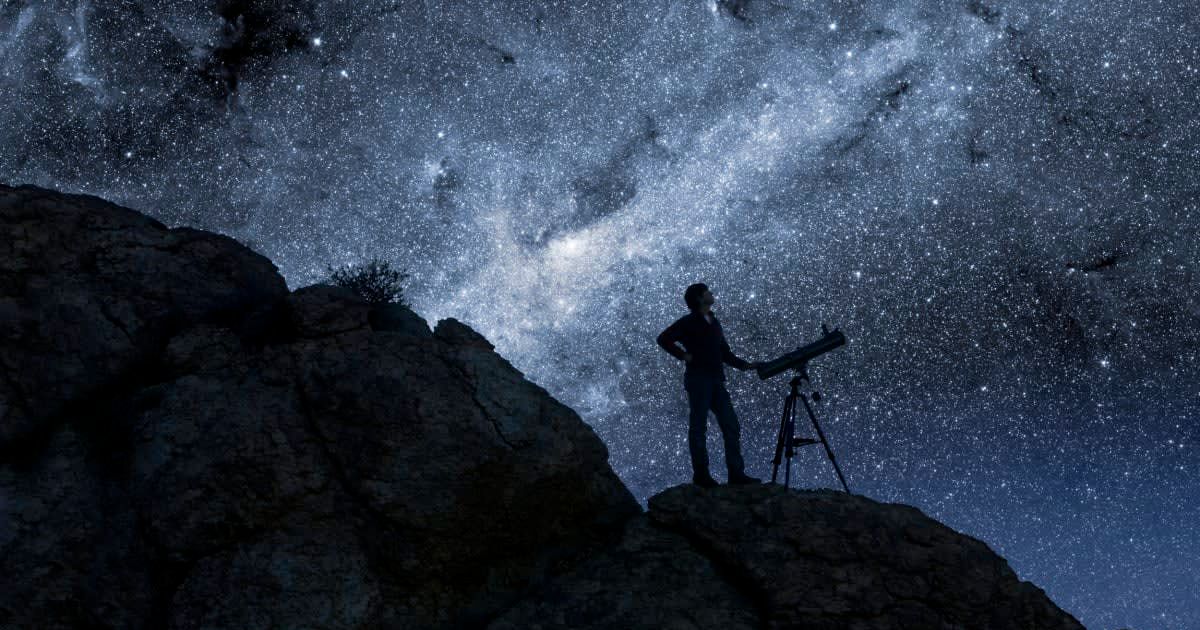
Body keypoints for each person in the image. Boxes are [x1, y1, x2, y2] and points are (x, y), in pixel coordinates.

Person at [656, 283, 764, 488]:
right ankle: (702, 476)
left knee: (730, 424)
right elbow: (663, 339)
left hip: (716, 380)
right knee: (698, 428)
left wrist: (745, 365)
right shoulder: (688, 322)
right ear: (699, 298)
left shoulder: (714, 321)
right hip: (698, 380)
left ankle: (736, 474)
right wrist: (683, 355)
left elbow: (724, 351)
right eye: (707, 292)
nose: (712, 294)